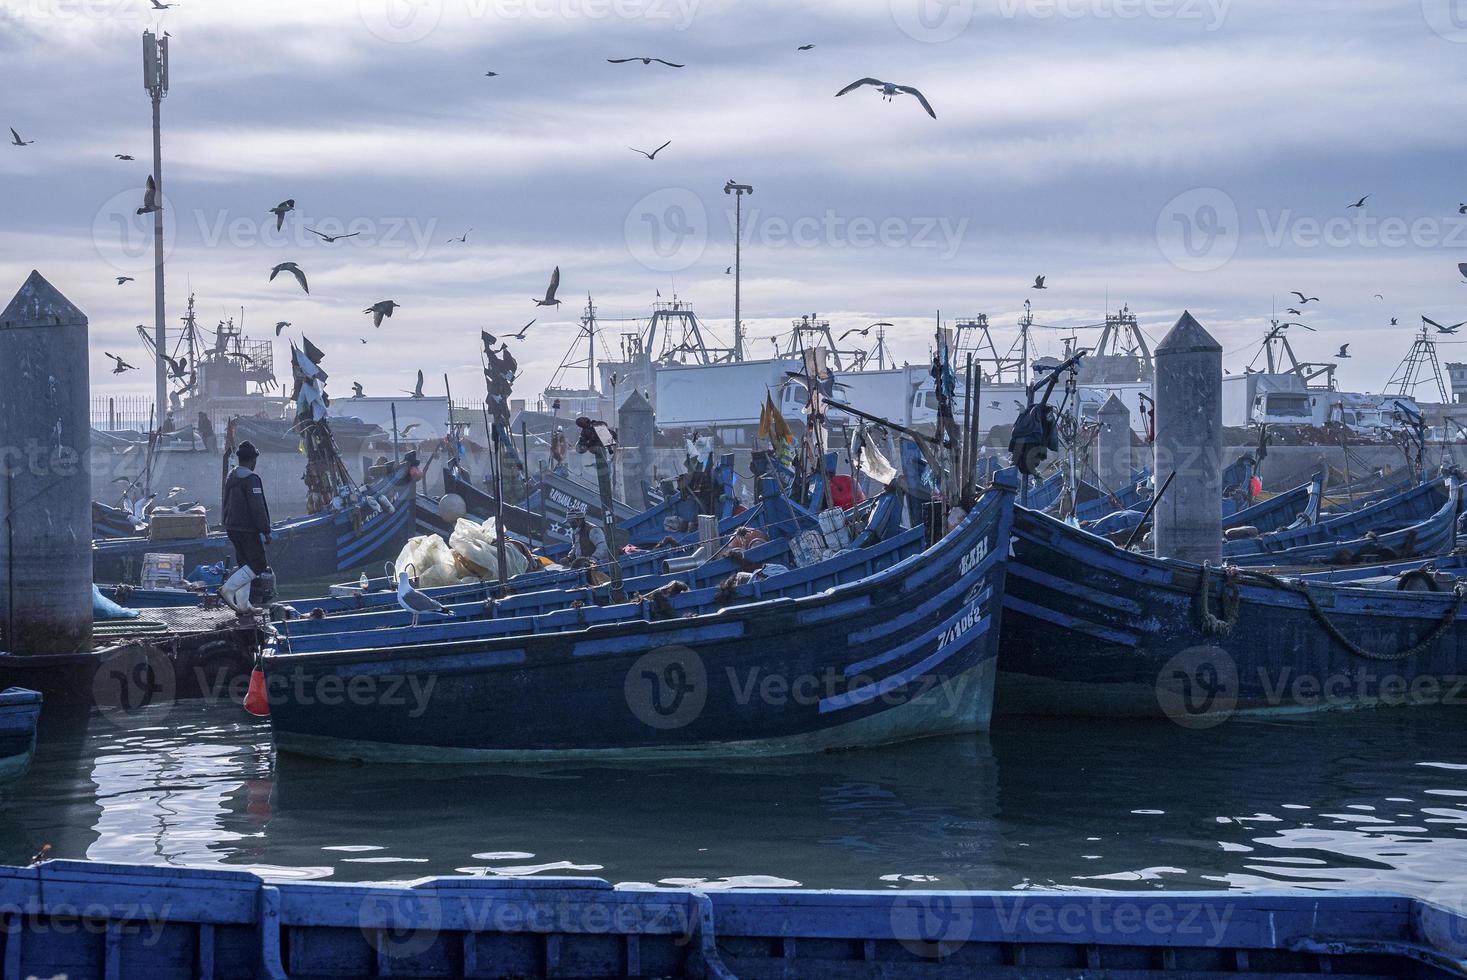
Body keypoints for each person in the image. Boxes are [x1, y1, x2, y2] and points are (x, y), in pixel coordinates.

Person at [219, 440, 271, 612]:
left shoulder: (231, 477)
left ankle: (243, 605)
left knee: (245, 565)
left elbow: (225, 502)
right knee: (258, 564)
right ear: (253, 460)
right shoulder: (252, 479)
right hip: (248, 529)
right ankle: (228, 590)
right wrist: (266, 530)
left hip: (232, 527)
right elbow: (258, 508)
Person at [565, 502, 610, 567]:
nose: (571, 525)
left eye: (572, 522)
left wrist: (592, 559)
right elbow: (575, 547)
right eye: (570, 523)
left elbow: (603, 548)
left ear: (580, 520)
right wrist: (569, 557)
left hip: (599, 566)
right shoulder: (576, 531)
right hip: (583, 566)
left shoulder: (593, 530)